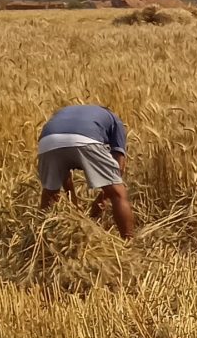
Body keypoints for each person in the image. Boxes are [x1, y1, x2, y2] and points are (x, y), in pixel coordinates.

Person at [36, 102, 136, 239]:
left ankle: (41, 245)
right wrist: (105, 197)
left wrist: (75, 205)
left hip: (47, 141)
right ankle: (129, 243)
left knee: (50, 193)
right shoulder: (114, 119)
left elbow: (63, 169)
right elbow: (119, 164)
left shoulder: (64, 112)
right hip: (86, 140)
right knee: (118, 194)